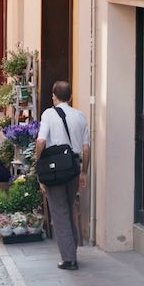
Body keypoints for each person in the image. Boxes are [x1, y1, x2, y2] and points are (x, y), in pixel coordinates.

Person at [34, 81, 90, 271]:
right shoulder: (81, 116)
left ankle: (69, 258)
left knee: (59, 211)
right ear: (71, 97)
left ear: (54, 97)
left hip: (55, 168)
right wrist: (84, 171)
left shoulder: (48, 114)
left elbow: (41, 141)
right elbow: (86, 148)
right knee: (68, 207)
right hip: (73, 167)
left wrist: (37, 161)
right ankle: (71, 249)